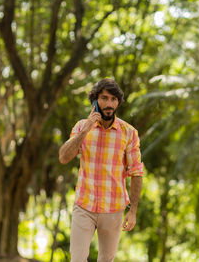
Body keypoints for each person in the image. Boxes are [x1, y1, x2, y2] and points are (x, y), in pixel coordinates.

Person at [59, 78, 144, 262]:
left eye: (114, 100)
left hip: (113, 209)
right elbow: (64, 157)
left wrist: (133, 210)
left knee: (106, 259)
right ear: (95, 100)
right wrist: (85, 130)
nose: (109, 104)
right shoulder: (82, 126)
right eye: (104, 98)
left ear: (118, 103)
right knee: (77, 259)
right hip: (84, 205)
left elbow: (136, 171)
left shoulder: (129, 132)